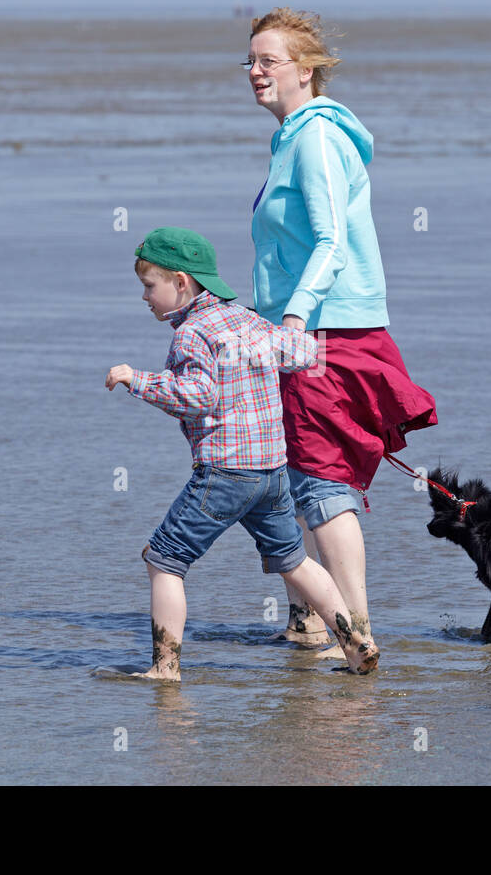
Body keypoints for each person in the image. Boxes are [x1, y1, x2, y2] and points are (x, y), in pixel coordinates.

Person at [105, 226, 380, 681]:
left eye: (149, 285)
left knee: (163, 559)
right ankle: (356, 644)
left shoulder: (192, 334)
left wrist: (137, 379)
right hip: (273, 473)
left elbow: (198, 396)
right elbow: (304, 351)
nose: (144, 297)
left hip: (225, 474)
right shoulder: (250, 321)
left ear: (181, 282)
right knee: (294, 561)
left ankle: (165, 668)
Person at [245, 8, 438, 653]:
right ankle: (309, 618)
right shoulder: (291, 138)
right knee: (304, 467)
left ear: (306, 70)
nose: (254, 72)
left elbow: (330, 242)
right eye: (249, 61)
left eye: (268, 61)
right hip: (309, 328)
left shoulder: (318, 138)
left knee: (325, 476)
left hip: (328, 331)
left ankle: (352, 627)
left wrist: (295, 317)